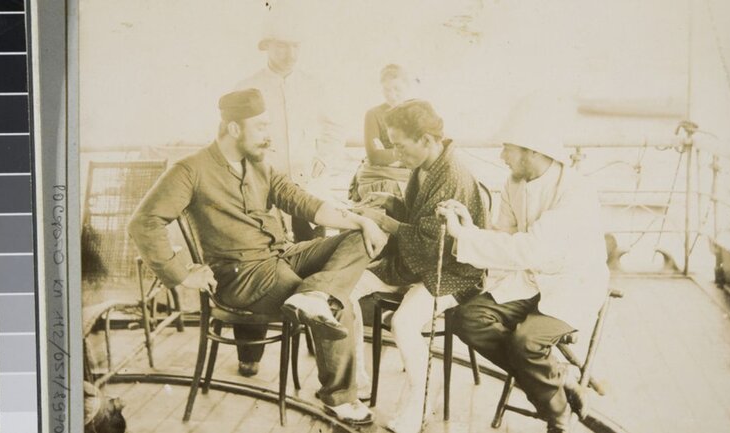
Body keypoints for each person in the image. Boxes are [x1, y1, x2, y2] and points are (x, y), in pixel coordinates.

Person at [128, 89, 387, 425]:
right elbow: (144, 222)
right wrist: (181, 274)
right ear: (234, 128)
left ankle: (316, 294)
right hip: (243, 276)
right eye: (262, 127)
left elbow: (303, 202)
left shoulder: (260, 165)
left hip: (281, 256)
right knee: (341, 302)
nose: (269, 136)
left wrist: (362, 220)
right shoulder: (190, 170)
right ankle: (339, 397)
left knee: (357, 238)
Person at [436, 94, 609, 433]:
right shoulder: (514, 184)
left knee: (526, 342)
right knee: (468, 319)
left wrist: (465, 237)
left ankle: (556, 413)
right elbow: (503, 236)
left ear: (533, 149)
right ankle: (558, 378)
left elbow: (530, 249)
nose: (502, 157)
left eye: (508, 149)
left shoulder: (576, 191)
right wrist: (468, 228)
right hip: (527, 281)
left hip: (571, 285)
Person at [350, 100, 486, 433]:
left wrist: (383, 220)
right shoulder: (425, 164)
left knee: (404, 322)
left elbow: (434, 242)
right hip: (419, 262)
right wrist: (390, 201)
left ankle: (421, 402)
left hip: (453, 271)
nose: (395, 153)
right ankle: (357, 381)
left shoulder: (452, 175)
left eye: (399, 145)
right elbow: (418, 216)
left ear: (426, 139)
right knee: (346, 288)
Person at [233, 14, 344, 374]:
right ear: (267, 46)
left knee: (313, 262)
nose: (291, 52)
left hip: (305, 192)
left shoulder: (314, 85)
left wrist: (322, 161)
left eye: (297, 45)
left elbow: (333, 128)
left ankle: (313, 337)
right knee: (257, 262)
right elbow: (234, 140)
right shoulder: (248, 88)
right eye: (283, 45)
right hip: (263, 193)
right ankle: (250, 354)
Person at [348, 64, 413, 202]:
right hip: (378, 176)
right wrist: (409, 153)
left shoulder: (417, 112)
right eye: (387, 90)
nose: (392, 95)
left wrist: (390, 156)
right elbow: (375, 156)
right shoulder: (373, 114)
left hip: (408, 174)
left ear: (407, 87)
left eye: (397, 89)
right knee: (387, 189)